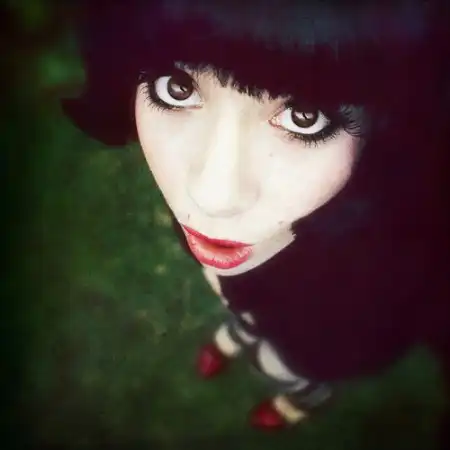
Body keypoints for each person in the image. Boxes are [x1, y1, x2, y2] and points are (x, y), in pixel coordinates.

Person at [63, 0, 450, 438]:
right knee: (241, 311)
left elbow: (352, 349)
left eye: (304, 116)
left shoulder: (388, 273)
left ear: (390, 126)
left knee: (289, 367)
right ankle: (239, 333)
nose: (213, 197)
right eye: (177, 88)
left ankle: (301, 399)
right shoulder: (230, 221)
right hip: (258, 308)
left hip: (315, 344)